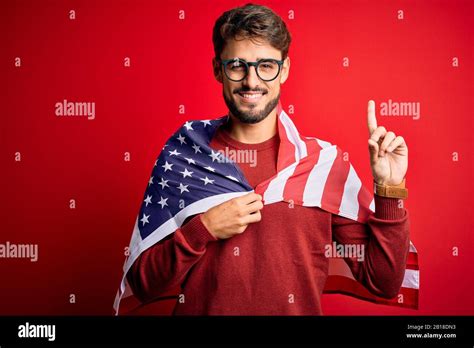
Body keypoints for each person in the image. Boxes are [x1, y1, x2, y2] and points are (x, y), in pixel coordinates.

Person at [126, 3, 410, 315]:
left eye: (266, 66)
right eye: (237, 66)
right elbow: (143, 284)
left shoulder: (323, 165)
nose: (251, 81)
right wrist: (203, 228)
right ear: (218, 69)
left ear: (284, 69)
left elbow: (383, 282)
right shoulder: (185, 156)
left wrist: (389, 190)